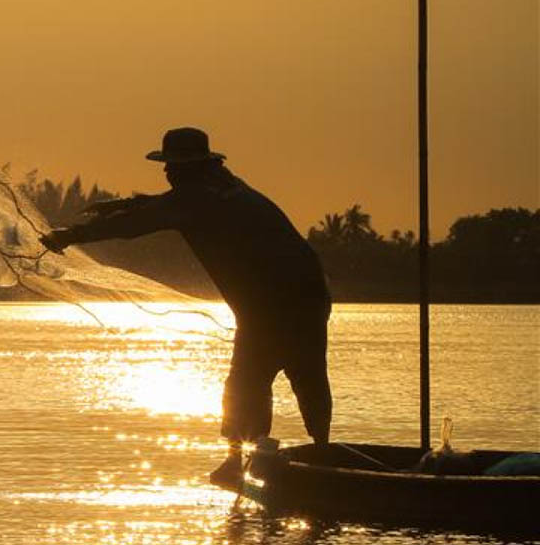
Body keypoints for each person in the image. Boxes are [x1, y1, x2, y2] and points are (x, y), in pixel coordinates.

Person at [40, 127, 332, 490]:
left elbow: (142, 223)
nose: (167, 172)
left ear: (191, 167)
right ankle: (314, 455)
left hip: (279, 301)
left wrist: (70, 235)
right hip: (303, 291)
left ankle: (274, 462)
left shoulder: (197, 200)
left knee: (254, 381)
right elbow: (162, 205)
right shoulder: (223, 187)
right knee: (293, 377)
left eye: (172, 166)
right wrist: (123, 204)